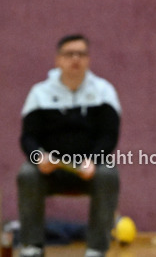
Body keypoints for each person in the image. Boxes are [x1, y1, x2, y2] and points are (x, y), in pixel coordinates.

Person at [17, 35, 121, 257]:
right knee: (27, 173)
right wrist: (39, 157)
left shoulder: (104, 92)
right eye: (69, 54)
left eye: (81, 54)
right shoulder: (39, 93)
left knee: (108, 174)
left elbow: (108, 135)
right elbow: (28, 137)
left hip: (89, 169)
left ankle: (96, 248)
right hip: (50, 170)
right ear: (58, 60)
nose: (75, 58)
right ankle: (32, 246)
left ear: (88, 59)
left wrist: (94, 160)